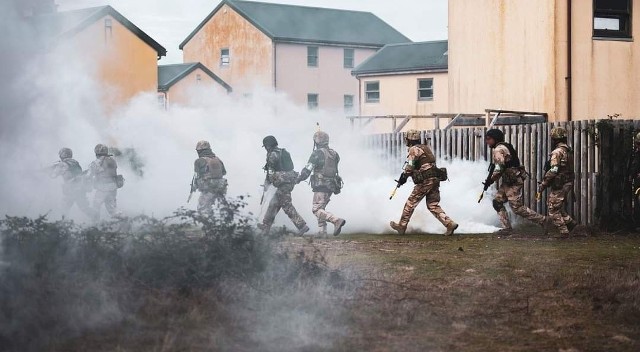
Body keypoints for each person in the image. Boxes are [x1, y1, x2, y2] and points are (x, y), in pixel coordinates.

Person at [390, 129, 458, 236]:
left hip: (425, 181)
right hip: (435, 179)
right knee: (432, 205)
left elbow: (410, 166)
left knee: (410, 203)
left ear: (409, 139)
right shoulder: (425, 148)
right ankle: (449, 224)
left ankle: (402, 226)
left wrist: (404, 177)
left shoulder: (413, 149)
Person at [484, 129, 547, 235]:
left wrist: (490, 180)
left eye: (489, 139)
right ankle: (507, 228)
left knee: (517, 208)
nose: (487, 141)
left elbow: (499, 168)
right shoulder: (504, 146)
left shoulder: (499, 149)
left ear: (495, 138)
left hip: (513, 182)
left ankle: (543, 220)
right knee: (497, 202)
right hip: (508, 181)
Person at [296, 131, 346, 236]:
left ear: (317, 141)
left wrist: (299, 178)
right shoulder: (334, 153)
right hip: (332, 185)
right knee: (321, 208)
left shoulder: (317, 153)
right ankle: (322, 232)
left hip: (321, 185)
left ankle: (336, 220)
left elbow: (308, 168)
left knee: (316, 210)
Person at [258, 135, 309, 236]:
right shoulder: (284, 152)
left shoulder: (272, 155)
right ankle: (266, 226)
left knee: (286, 205)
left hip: (283, 184)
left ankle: (302, 226)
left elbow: (270, 173)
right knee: (273, 204)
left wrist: (266, 185)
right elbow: (291, 167)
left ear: (268, 146)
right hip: (290, 180)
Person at [538, 127, 577, 236]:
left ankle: (564, 232)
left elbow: (554, 170)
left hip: (560, 183)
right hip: (567, 182)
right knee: (557, 206)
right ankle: (570, 223)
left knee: (553, 209)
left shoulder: (557, 152)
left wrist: (544, 183)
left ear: (555, 139)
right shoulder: (568, 150)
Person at [50, 147, 95, 219]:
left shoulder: (61, 164)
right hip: (80, 189)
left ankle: (64, 226)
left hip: (70, 189)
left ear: (62, 155)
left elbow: (53, 176)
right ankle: (97, 219)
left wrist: (50, 170)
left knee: (64, 209)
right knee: (84, 208)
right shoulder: (75, 163)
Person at [193, 140, 228, 216]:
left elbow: (198, 175)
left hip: (208, 187)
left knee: (202, 208)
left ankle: (206, 224)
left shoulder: (199, 161)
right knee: (219, 207)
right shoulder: (218, 159)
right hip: (221, 186)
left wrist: (195, 185)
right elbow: (224, 172)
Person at [89, 144, 122, 220]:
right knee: (113, 210)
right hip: (113, 186)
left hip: (103, 187)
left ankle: (95, 225)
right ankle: (124, 220)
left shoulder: (97, 162)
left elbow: (90, 174)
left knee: (96, 206)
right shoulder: (112, 160)